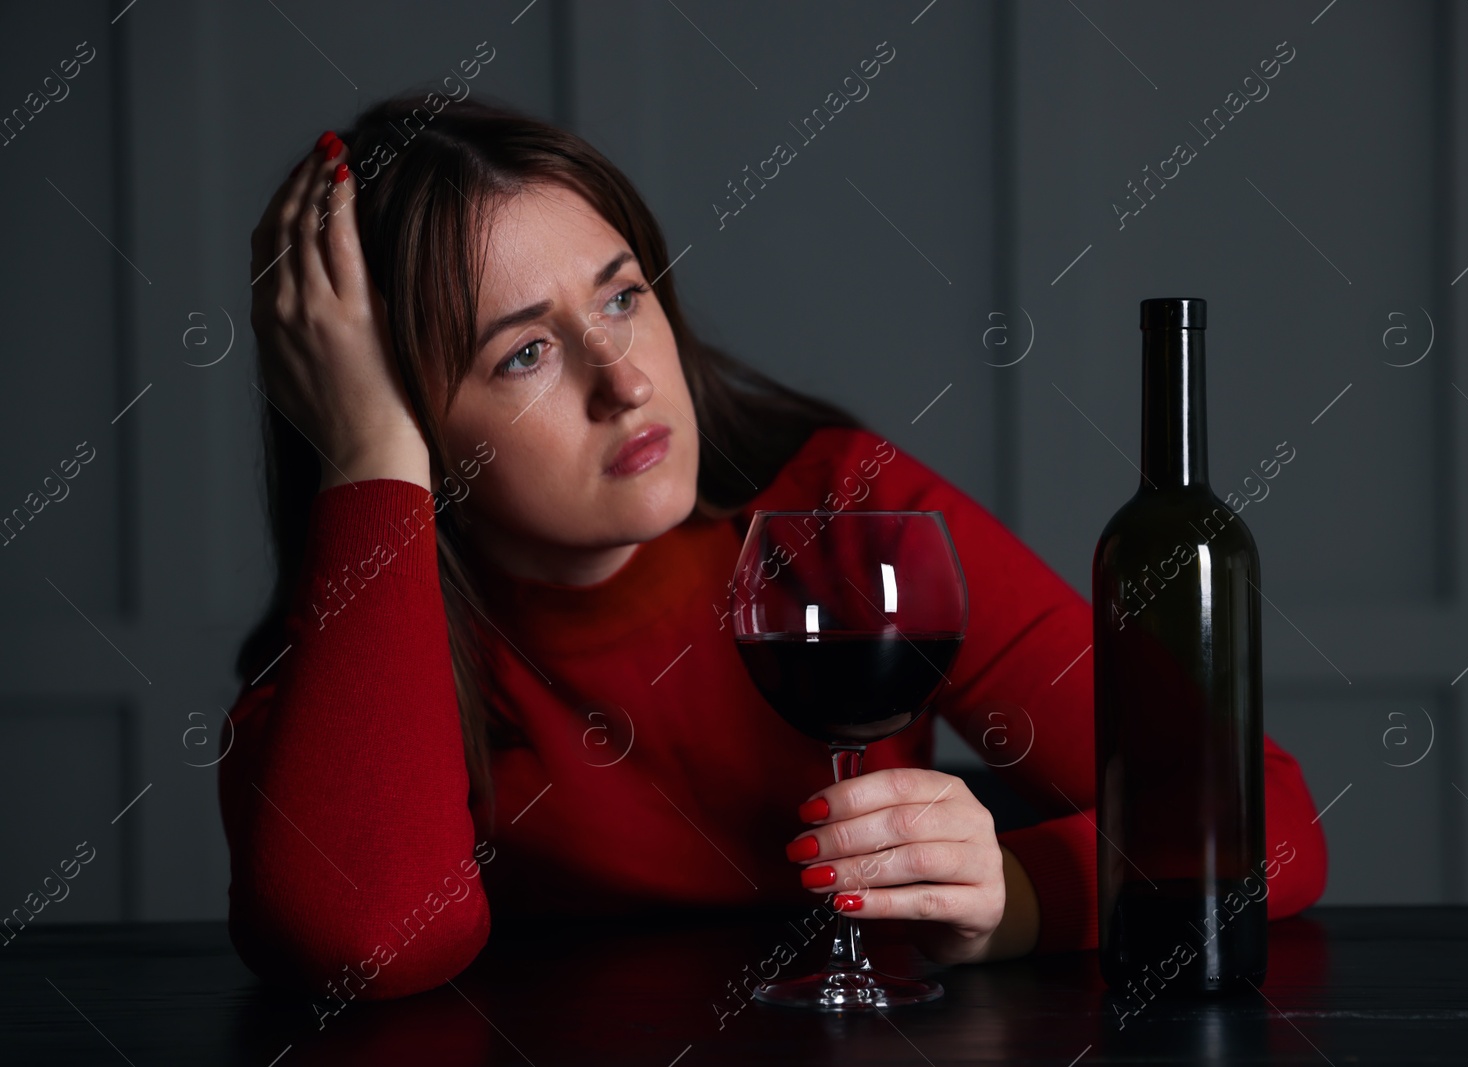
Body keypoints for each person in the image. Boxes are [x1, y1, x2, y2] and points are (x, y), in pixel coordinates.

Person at [224, 95, 1327, 1002]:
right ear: (412, 421)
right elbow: (359, 943)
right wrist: (367, 455)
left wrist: (1022, 892)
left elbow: (1263, 819)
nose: (626, 379)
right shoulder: (358, 648)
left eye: (622, 295)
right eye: (523, 355)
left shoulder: (847, 511)